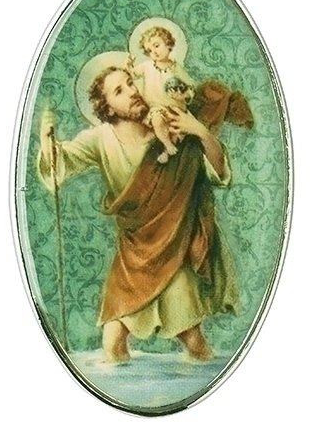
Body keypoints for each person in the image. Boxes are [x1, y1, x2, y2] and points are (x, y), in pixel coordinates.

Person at [39, 66, 240, 363]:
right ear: (107, 107)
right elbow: (61, 163)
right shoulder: (100, 139)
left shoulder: (168, 121)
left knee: (195, 344)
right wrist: (47, 141)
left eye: (130, 83)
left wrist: (200, 131)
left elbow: (217, 172)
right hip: (133, 255)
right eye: (119, 91)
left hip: (173, 249)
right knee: (112, 346)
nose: (132, 91)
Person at [125, 26, 196, 162]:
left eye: (156, 46)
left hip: (176, 108)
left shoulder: (176, 68)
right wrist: (129, 66)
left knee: (177, 133)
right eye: (149, 51)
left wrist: (183, 96)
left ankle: (167, 151)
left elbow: (190, 87)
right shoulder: (146, 66)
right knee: (158, 123)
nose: (154, 52)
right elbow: (133, 75)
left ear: (168, 44)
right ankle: (167, 145)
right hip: (157, 108)